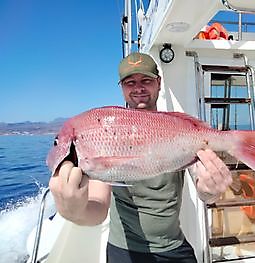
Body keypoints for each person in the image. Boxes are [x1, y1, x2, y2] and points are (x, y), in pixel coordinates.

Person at [49, 52, 233, 263]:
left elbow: (204, 190)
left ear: (159, 83)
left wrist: (211, 191)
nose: (138, 88)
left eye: (146, 80)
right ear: (122, 88)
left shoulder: (177, 128)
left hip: (173, 247)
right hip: (123, 250)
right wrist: (73, 210)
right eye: (130, 83)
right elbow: (98, 206)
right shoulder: (106, 131)